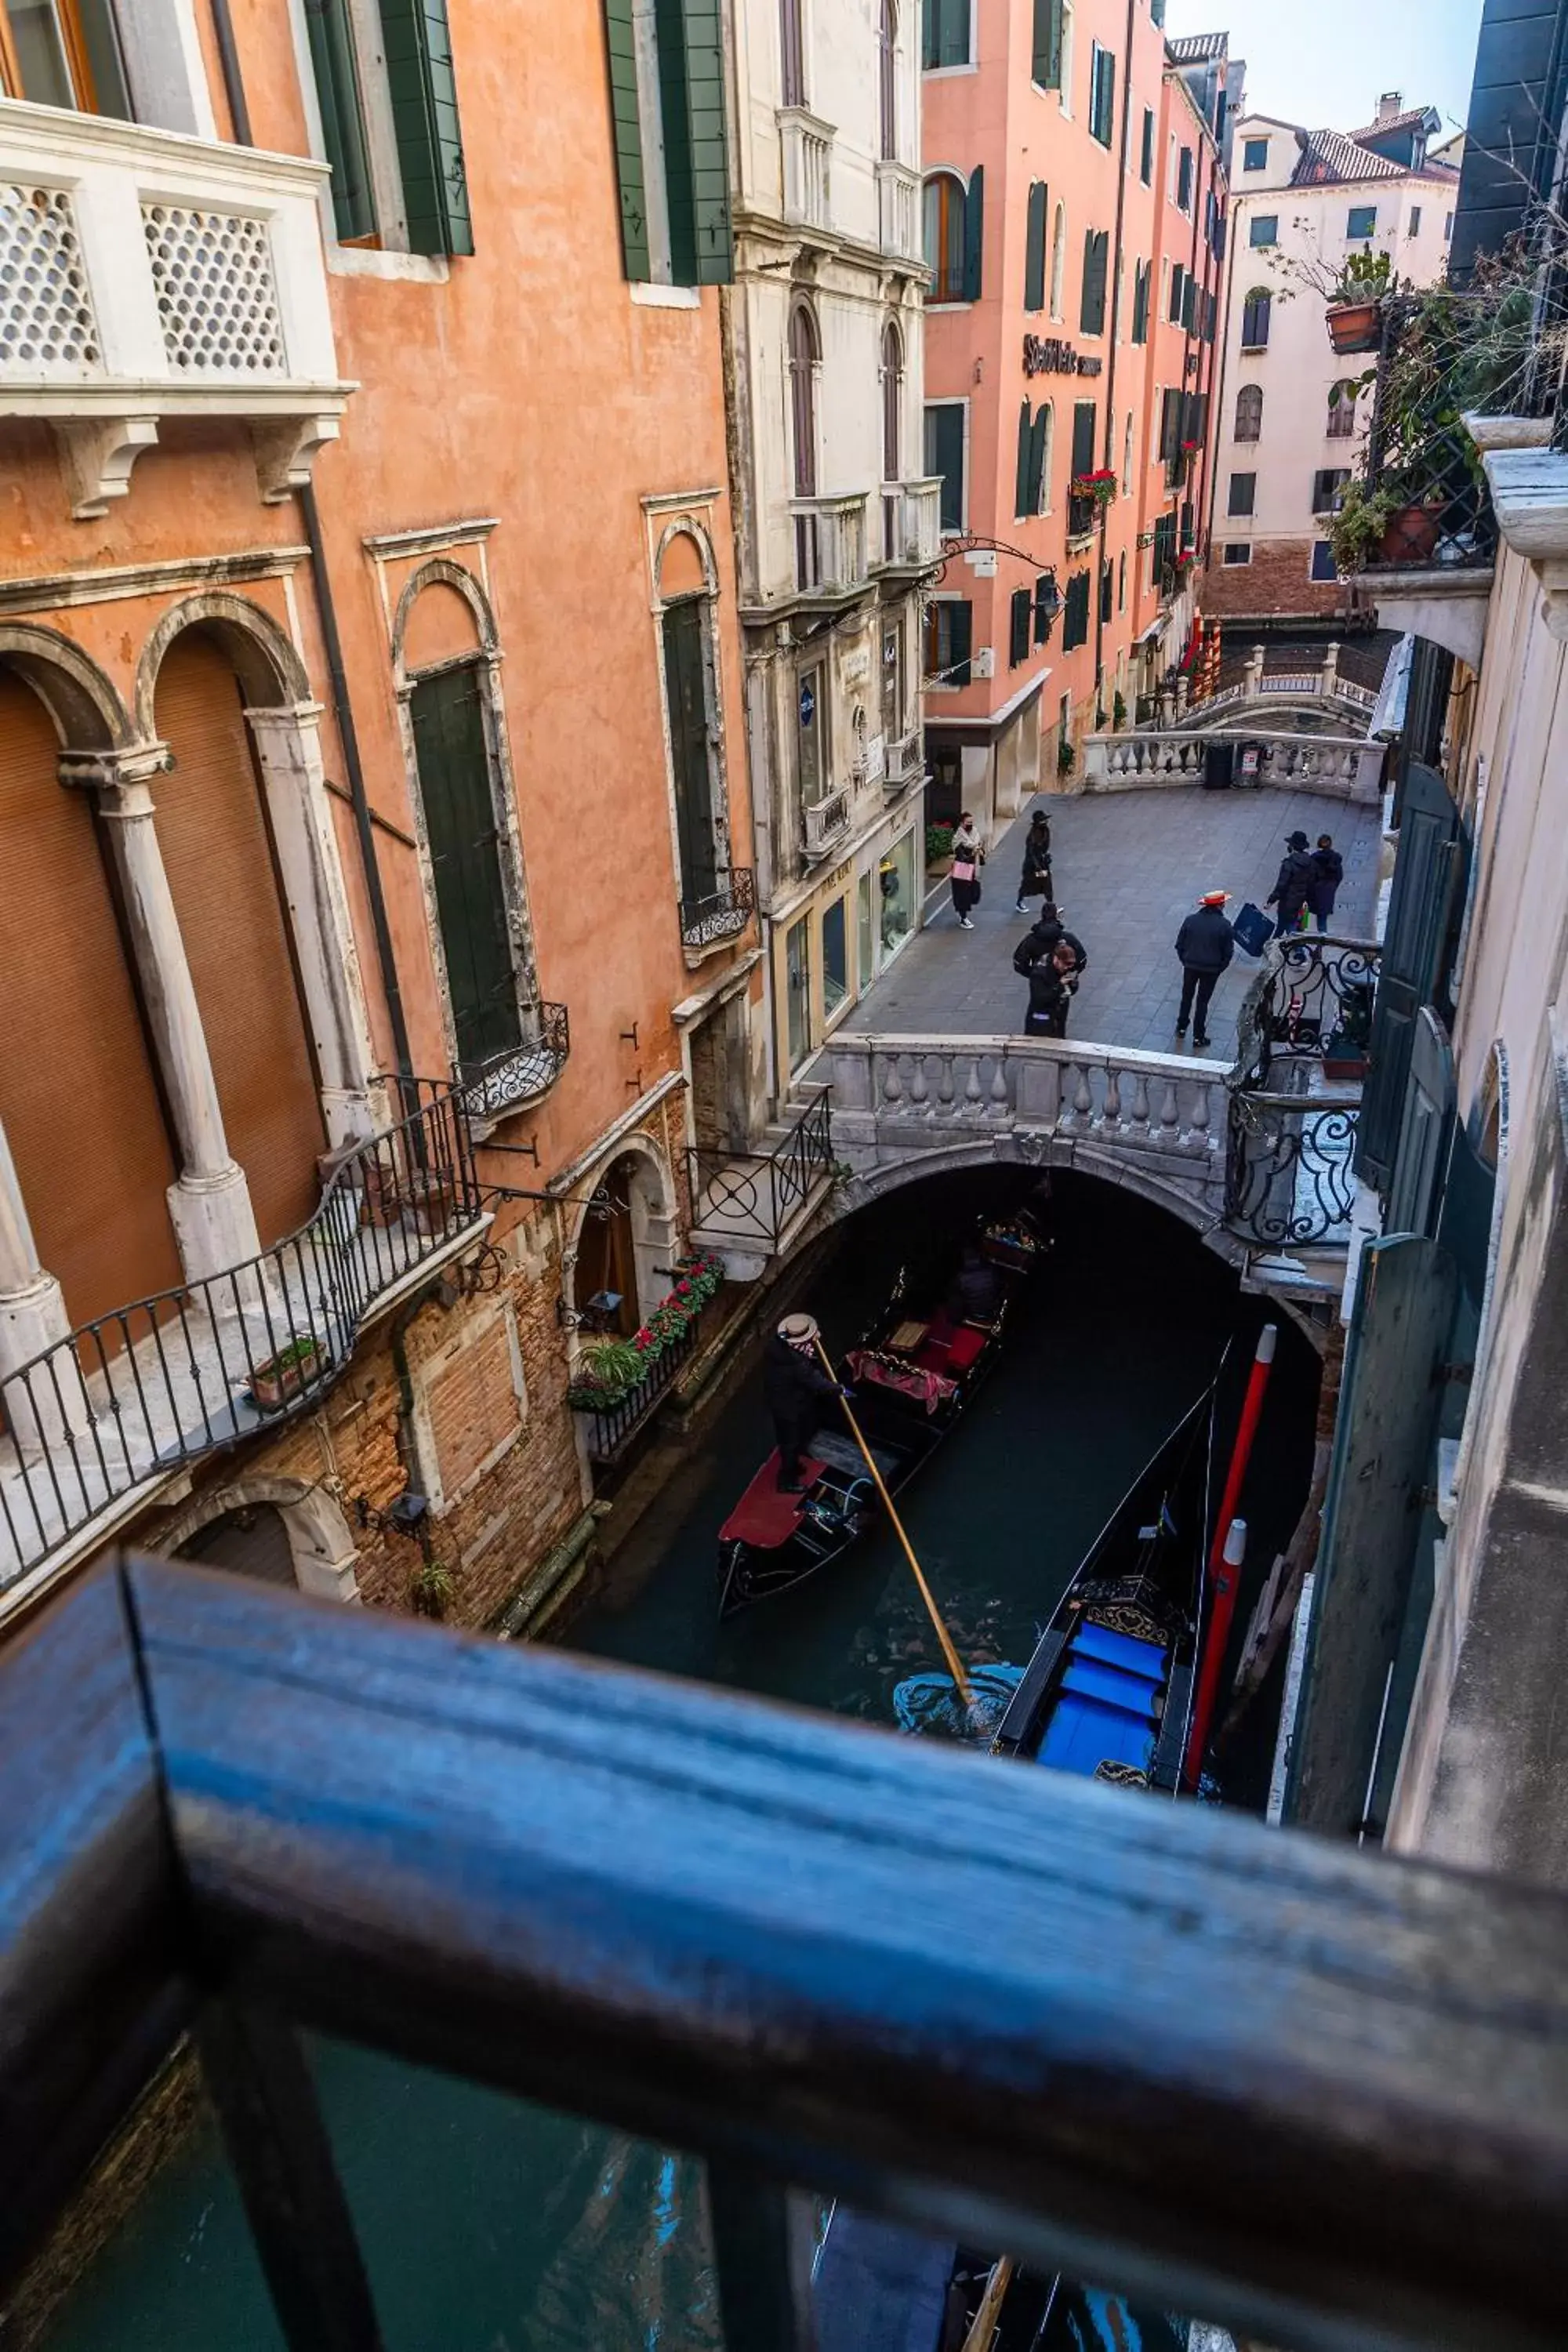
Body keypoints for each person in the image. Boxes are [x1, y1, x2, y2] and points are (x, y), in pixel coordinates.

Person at [764, 1312, 845, 1493]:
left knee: (797, 1436)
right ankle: (786, 1482)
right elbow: (816, 1382)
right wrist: (840, 1390)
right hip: (788, 1407)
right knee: (790, 1443)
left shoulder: (778, 1345)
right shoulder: (796, 1364)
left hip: (785, 1400)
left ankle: (794, 1464)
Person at [1173, 890, 1236, 1051]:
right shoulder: (1225, 926)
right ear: (1220, 906)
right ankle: (1198, 1036)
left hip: (1190, 966)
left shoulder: (1190, 920)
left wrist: (1186, 960)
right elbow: (1228, 953)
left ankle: (1181, 1027)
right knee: (1203, 1002)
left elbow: (1180, 944)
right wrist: (1219, 968)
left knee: (1186, 997)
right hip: (1211, 970)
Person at [1022, 942, 1077, 1039]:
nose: (1067, 968)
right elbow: (1040, 998)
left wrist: (1072, 984)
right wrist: (1060, 986)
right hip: (1040, 1023)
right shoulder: (1039, 973)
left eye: (1071, 965)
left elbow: (1071, 991)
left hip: (1058, 1020)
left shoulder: (1064, 970)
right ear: (1057, 959)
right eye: (1066, 964)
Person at [1267, 829, 1316, 938]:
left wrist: (1271, 900)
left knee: (1289, 925)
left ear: (1292, 846)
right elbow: (1312, 882)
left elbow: (1282, 885)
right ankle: (1273, 944)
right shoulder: (1310, 862)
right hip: (1302, 901)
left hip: (1288, 901)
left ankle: (1299, 951)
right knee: (1283, 924)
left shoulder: (1289, 864)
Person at [948, 1242, 1004, 1327]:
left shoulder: (961, 1278)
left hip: (972, 1317)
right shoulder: (992, 1271)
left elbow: (956, 1306)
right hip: (991, 1315)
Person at [949, 812, 985, 928]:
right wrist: (973, 854)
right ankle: (963, 918)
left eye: (971, 822)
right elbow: (961, 858)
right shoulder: (958, 839)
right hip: (962, 873)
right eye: (967, 822)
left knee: (974, 895)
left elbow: (980, 849)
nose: (970, 824)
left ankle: (962, 914)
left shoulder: (975, 834)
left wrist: (980, 852)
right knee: (962, 895)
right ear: (962, 824)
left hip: (973, 871)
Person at [1015, 809, 1054, 913]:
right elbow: (1031, 853)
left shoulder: (1046, 831)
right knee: (1028, 884)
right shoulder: (1032, 836)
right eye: (1043, 821)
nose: (1045, 822)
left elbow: (1044, 848)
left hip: (1042, 863)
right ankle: (1019, 902)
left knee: (1047, 883)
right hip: (1033, 866)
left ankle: (1051, 905)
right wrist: (1038, 867)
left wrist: (1045, 857)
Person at [1308, 833, 1344, 932]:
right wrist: (1333, 887)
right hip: (1329, 890)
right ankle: (1322, 941)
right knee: (1323, 918)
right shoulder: (1335, 859)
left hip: (1317, 890)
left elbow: (1310, 876)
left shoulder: (1314, 858)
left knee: (1319, 917)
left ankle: (1320, 942)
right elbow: (1339, 876)